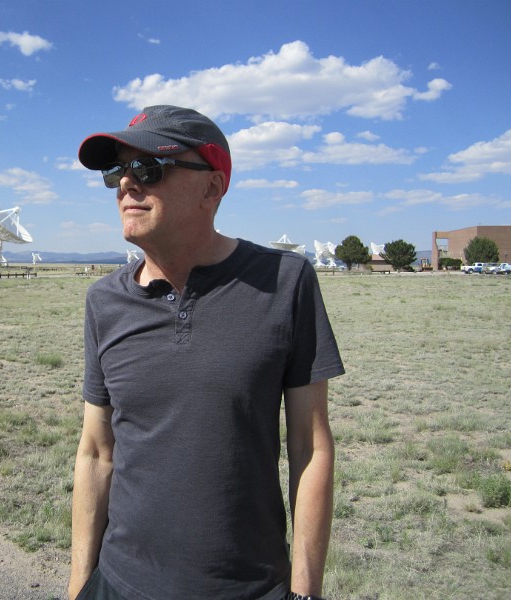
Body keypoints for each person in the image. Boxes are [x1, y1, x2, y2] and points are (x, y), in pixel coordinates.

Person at [69, 105, 345, 600]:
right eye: (117, 171)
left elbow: (310, 447)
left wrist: (305, 593)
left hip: (248, 588)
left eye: (148, 168)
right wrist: (77, 588)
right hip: (119, 583)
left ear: (212, 188)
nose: (127, 184)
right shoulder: (103, 302)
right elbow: (95, 453)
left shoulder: (285, 282)